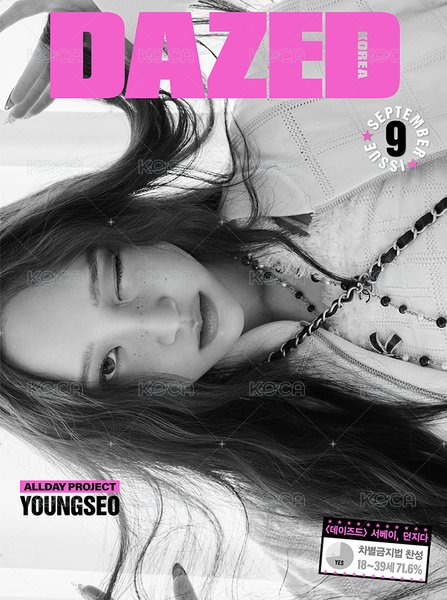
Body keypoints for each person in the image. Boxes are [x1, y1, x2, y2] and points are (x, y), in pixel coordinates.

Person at [1, 0, 447, 599]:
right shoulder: (303, 502)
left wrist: (121, 15)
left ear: (120, 229)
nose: (163, 322)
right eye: (109, 364)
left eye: (116, 279)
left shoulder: (283, 101)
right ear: (118, 415)